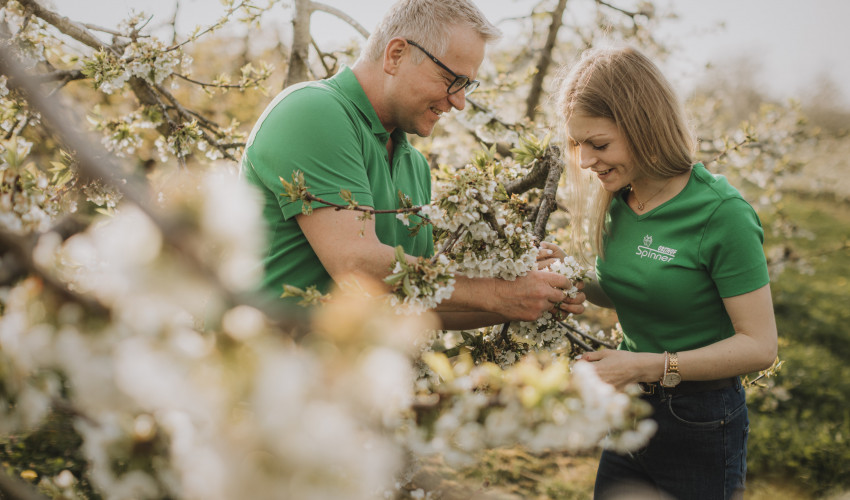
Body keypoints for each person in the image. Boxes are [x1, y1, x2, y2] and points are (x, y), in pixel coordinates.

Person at [240, 0, 585, 329]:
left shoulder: (414, 164)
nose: (460, 102)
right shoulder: (314, 110)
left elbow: (419, 301)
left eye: (467, 85)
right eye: (452, 79)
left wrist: (533, 298)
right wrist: (499, 292)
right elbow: (355, 263)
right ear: (396, 54)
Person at [551, 46, 778, 499]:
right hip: (632, 407)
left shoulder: (721, 214)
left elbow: (760, 346)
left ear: (643, 126)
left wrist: (650, 365)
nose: (586, 161)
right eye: (578, 146)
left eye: (598, 144)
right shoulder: (620, 200)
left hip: (701, 421)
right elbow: (632, 287)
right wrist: (568, 277)